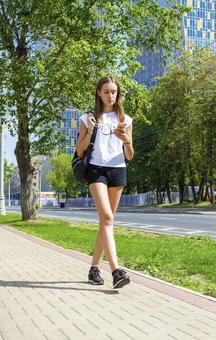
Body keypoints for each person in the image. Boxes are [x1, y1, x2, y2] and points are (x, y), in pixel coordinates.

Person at [76, 76, 134, 289]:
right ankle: (116, 271)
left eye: (114, 92)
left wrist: (127, 141)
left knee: (106, 222)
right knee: (107, 217)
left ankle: (93, 269)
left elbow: (129, 155)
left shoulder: (125, 120)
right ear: (98, 92)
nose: (111, 96)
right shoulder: (87, 118)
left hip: (118, 170)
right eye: (107, 92)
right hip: (96, 170)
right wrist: (91, 129)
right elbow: (80, 150)